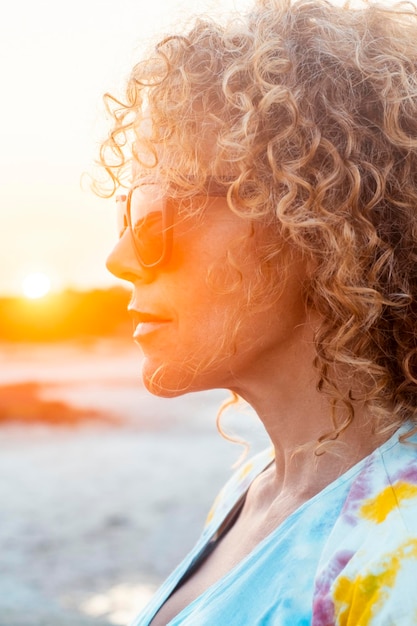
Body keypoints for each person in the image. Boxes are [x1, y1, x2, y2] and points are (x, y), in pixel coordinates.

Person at [98, 0, 417, 623]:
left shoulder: (398, 551)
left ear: (319, 219)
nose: (120, 257)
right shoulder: (257, 487)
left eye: (157, 212)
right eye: (128, 213)